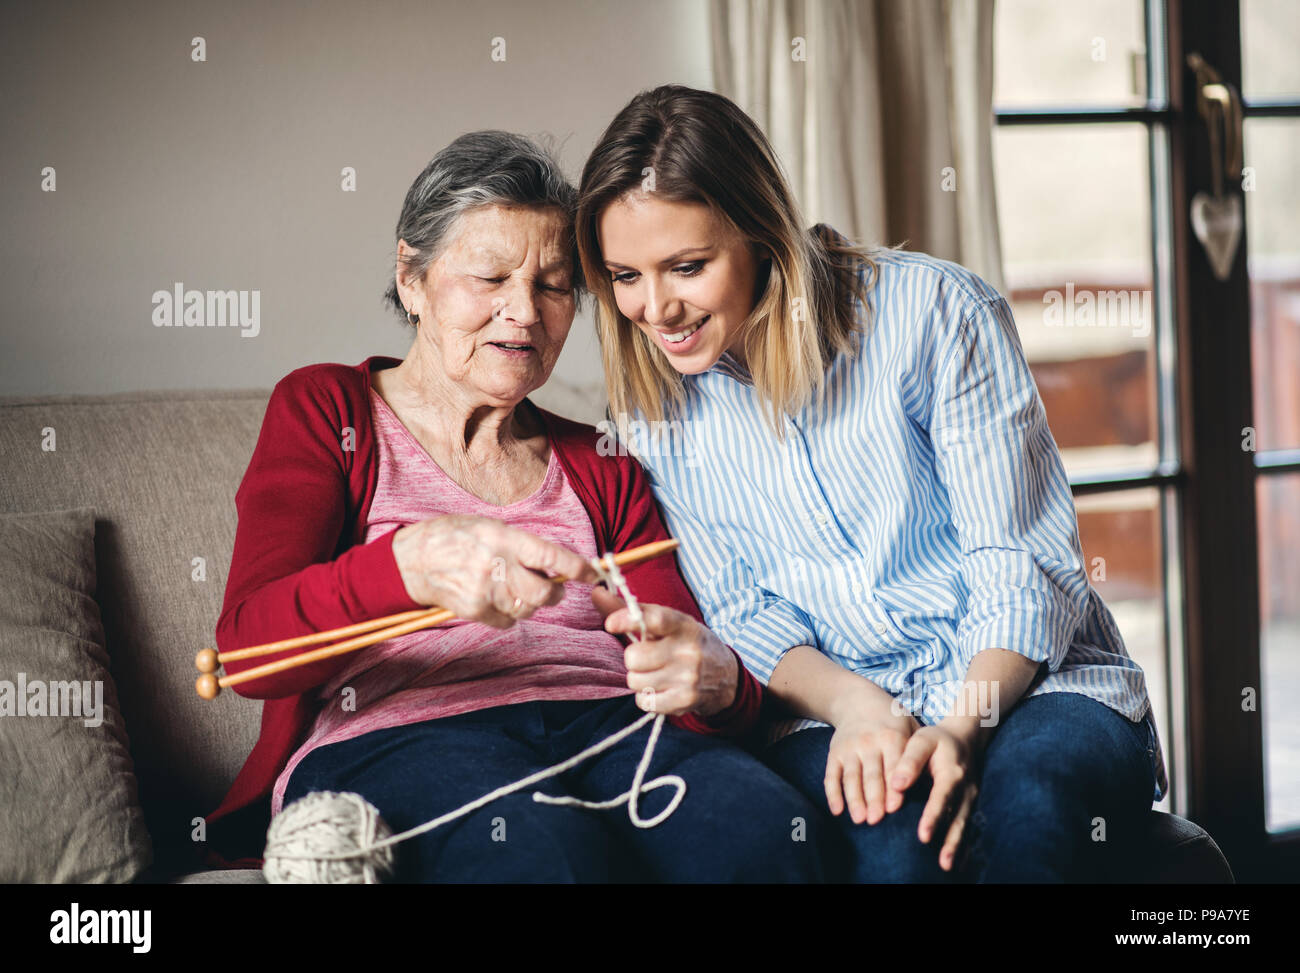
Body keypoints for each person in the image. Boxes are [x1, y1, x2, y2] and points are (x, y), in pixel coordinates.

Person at [575, 84, 1168, 882]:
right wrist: (860, 708)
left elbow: (1019, 562)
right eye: (625, 276)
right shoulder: (649, 410)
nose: (656, 309)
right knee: (898, 848)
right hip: (837, 706)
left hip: (1033, 684)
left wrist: (960, 728)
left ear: (760, 233)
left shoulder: (934, 312)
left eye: (687, 266)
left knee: (1031, 804)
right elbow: (744, 611)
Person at [202, 130, 826, 883]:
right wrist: (409, 567)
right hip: (402, 733)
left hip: (613, 726)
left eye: (555, 284)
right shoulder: (327, 409)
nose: (525, 312)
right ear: (411, 276)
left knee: (768, 838)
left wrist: (720, 685)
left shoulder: (603, 459)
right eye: (490, 277)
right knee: (539, 857)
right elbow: (247, 653)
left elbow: (687, 678)